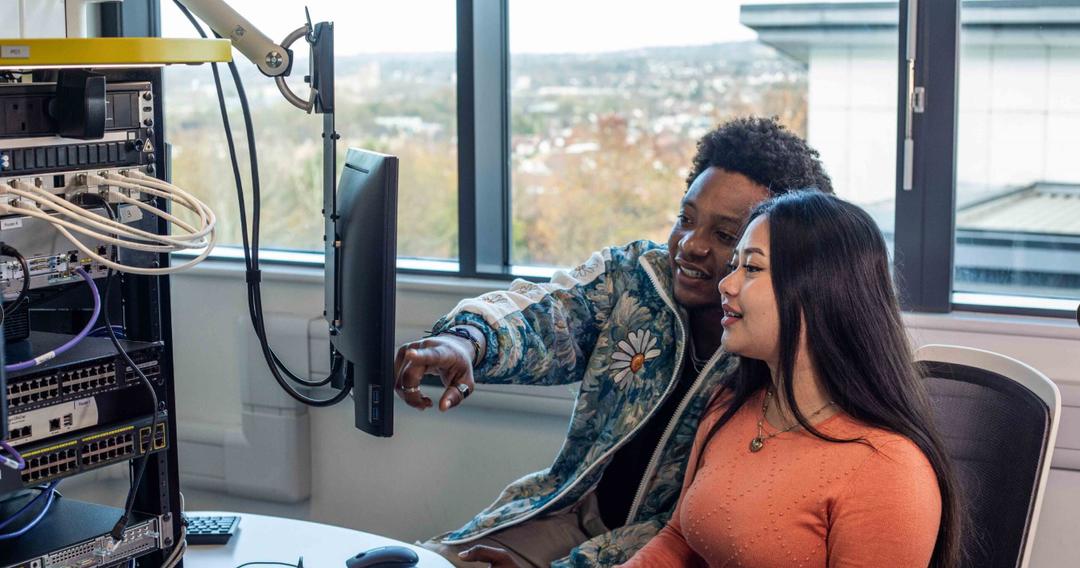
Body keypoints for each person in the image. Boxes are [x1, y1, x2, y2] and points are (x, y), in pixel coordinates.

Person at [394, 117, 833, 567]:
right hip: (568, 508)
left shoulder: (782, 359)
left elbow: (694, 534)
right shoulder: (638, 278)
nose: (691, 246)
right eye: (686, 218)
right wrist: (467, 341)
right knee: (431, 562)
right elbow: (553, 312)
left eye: (725, 236)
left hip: (659, 549)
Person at [618, 191, 963, 567]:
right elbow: (680, 540)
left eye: (751, 269)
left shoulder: (888, 470)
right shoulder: (728, 405)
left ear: (820, 289)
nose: (726, 284)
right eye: (734, 266)